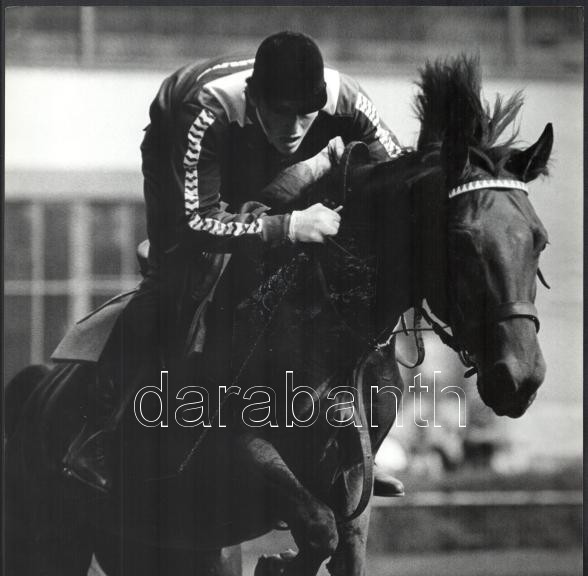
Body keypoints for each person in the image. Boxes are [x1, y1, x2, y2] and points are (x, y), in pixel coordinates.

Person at [61, 30, 404, 496]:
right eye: (281, 113)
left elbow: (400, 176)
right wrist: (288, 226)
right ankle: (98, 430)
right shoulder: (203, 109)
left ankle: (354, 443)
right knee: (181, 274)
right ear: (254, 98)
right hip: (183, 147)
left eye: (306, 115)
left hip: (258, 150)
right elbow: (195, 223)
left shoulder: (350, 101)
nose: (294, 128)